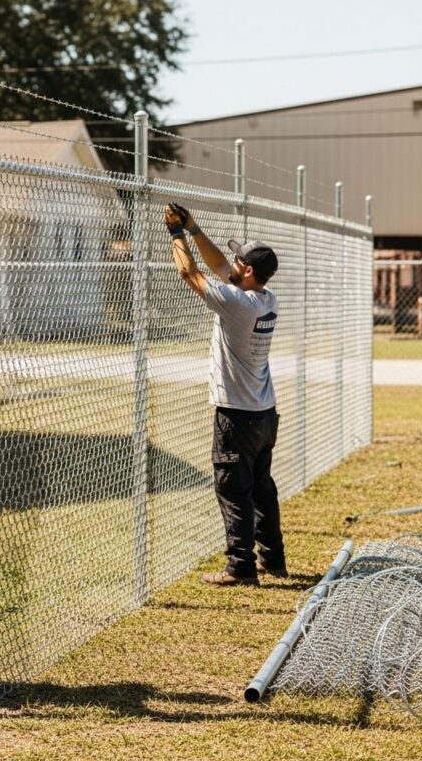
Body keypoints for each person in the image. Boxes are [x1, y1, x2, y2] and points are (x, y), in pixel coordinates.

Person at [164, 203, 286, 587]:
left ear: (247, 271)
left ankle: (240, 567)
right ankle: (273, 559)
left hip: (236, 414)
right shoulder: (265, 299)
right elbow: (218, 267)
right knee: (262, 487)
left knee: (234, 489)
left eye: (237, 261)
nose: (230, 264)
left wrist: (175, 234)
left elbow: (189, 272)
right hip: (264, 413)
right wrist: (195, 228)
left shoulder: (236, 303)